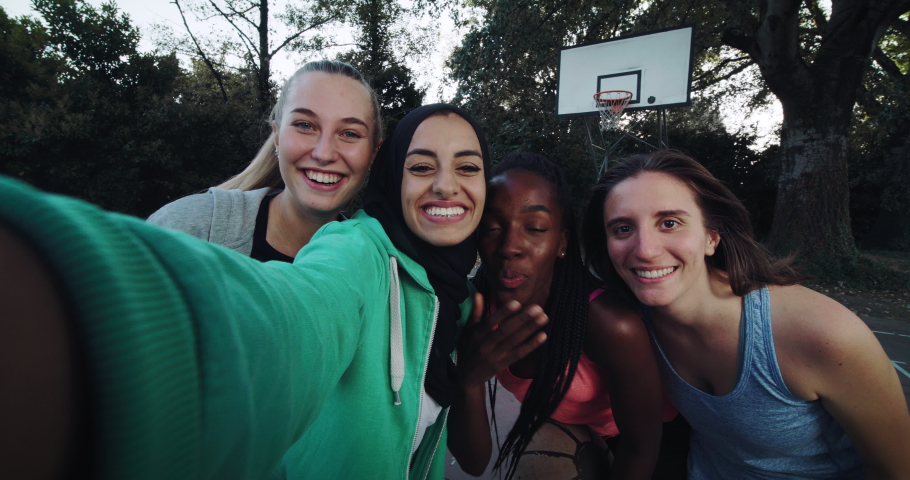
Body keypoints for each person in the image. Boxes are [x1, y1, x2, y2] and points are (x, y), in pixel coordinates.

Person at [0, 104, 545, 480]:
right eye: (421, 166)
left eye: (467, 168)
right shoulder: (356, 253)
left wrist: (471, 378)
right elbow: (287, 320)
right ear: (393, 184)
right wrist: (83, 292)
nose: (447, 185)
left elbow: (473, 461)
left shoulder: (459, 302)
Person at [581, 150, 910, 478]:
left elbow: (896, 469)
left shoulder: (823, 334)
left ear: (712, 236)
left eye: (669, 223)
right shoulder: (625, 324)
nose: (646, 250)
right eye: (623, 229)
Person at [452, 152, 685, 480]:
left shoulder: (610, 325)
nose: (509, 246)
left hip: (649, 443)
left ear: (561, 242)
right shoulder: (473, 311)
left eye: (534, 228)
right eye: (491, 227)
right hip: (576, 428)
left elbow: (641, 445)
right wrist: (469, 380)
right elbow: (473, 463)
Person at [148, 59, 382, 261]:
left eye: (350, 133)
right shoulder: (188, 228)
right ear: (278, 136)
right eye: (305, 125)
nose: (324, 153)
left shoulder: (378, 270)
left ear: (373, 153)